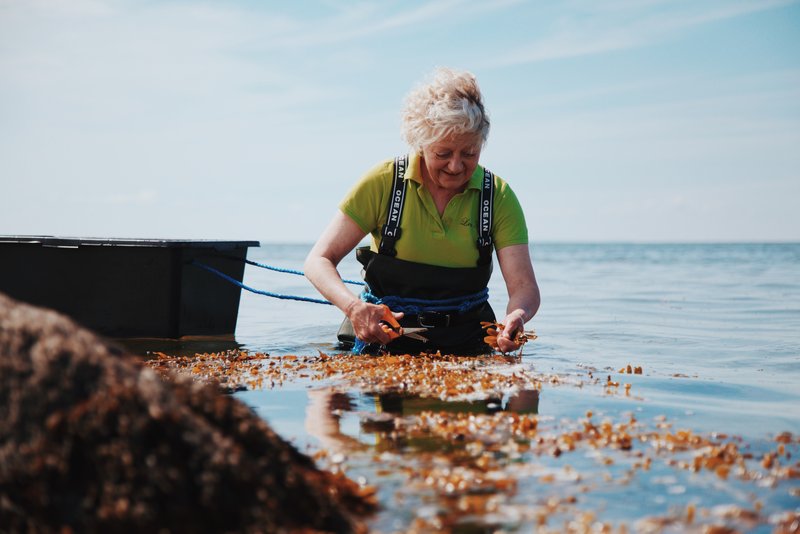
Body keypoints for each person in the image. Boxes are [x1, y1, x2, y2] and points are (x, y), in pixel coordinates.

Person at [304, 67, 540, 355]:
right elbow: (318, 261)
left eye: (469, 153)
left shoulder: (498, 197)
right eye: (443, 153)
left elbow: (524, 287)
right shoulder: (384, 183)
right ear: (420, 143)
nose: (456, 166)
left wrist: (518, 314)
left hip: (467, 341)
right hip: (381, 339)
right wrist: (354, 307)